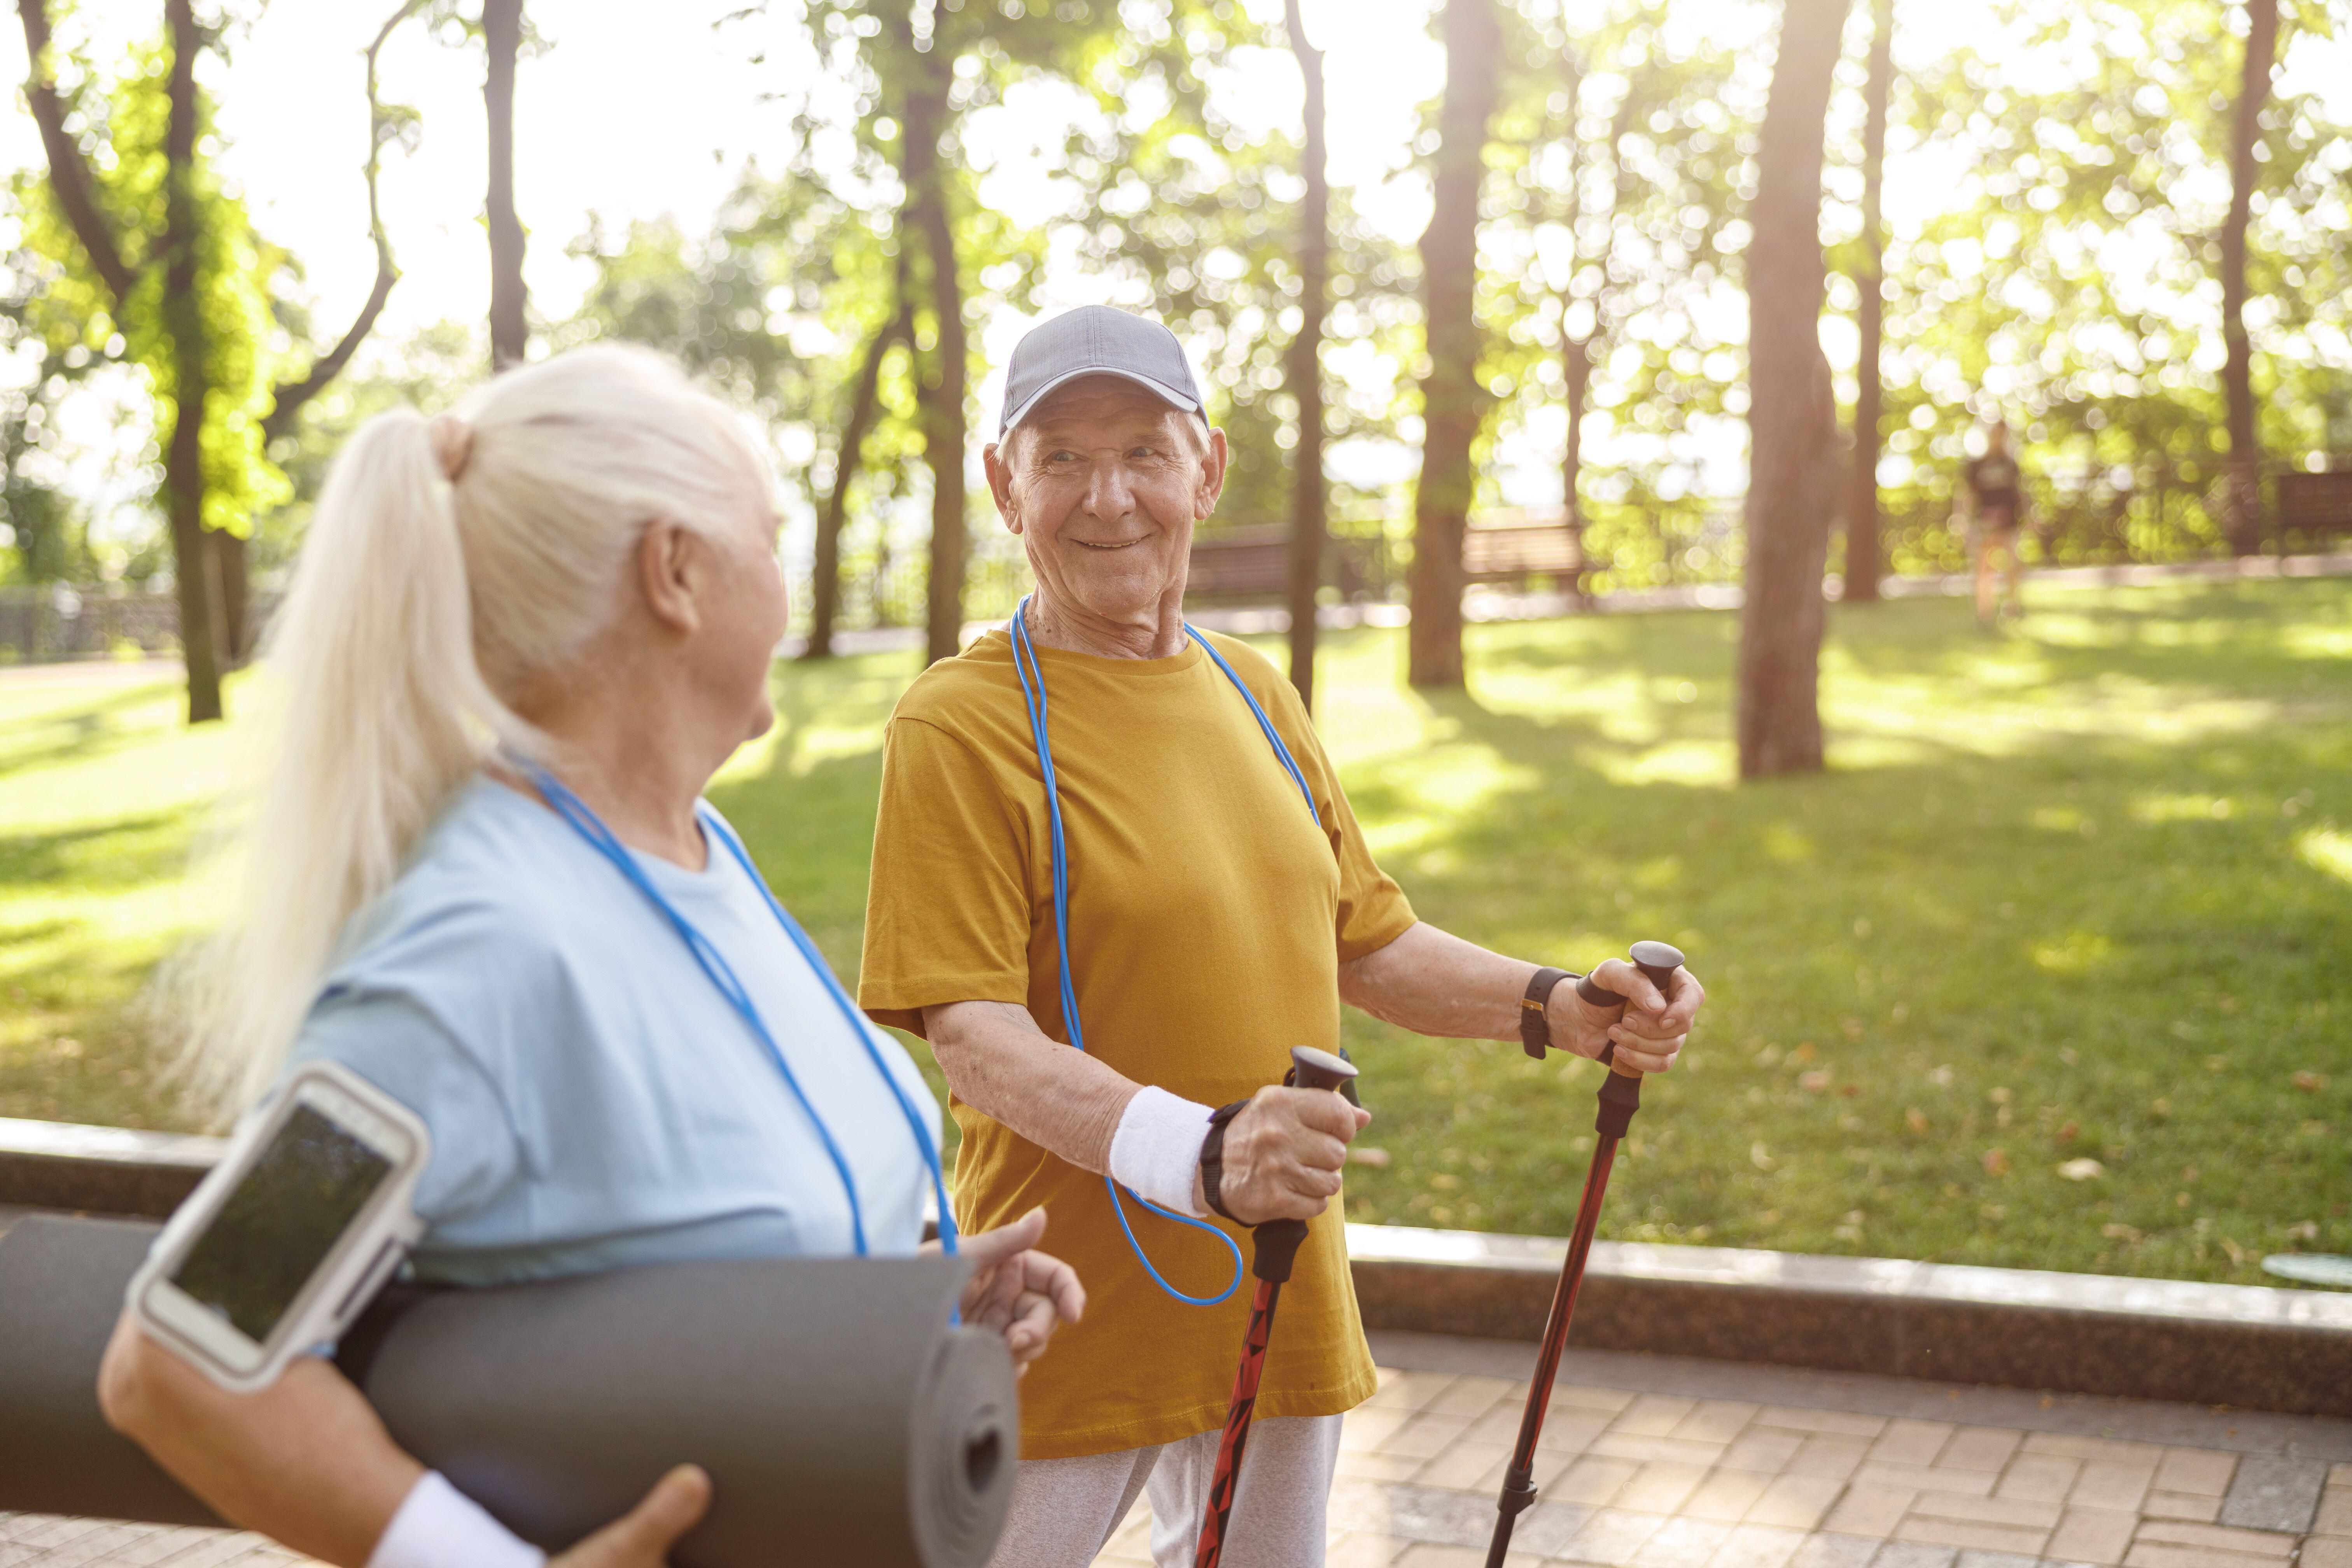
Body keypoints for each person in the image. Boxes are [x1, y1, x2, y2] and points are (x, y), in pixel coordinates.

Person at [96, 346, 1083, 1568]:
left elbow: (687, 1225)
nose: (791, 589)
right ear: (675, 572)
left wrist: (906, 1294)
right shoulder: (472, 948)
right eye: (770, 541)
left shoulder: (692, 846)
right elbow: (182, 1358)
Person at [857, 306, 1708, 1568]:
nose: (1108, 498)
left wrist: (1555, 1005)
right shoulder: (958, 723)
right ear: (1003, 485)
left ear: (1204, 468)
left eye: (1144, 452)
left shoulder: (1254, 691)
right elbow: (975, 1041)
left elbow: (1365, 943)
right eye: (1062, 459)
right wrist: (1201, 1154)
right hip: (1056, 1310)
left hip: (1272, 1283)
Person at [1963, 418, 2030, 626]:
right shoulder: (1977, 465)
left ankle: (2011, 608)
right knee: (1985, 568)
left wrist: (2030, 517)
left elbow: (2020, 494)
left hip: (2009, 523)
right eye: (1996, 434)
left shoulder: (2010, 464)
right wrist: (1964, 522)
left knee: (2014, 564)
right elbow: (1968, 495)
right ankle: (1985, 613)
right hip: (1985, 524)